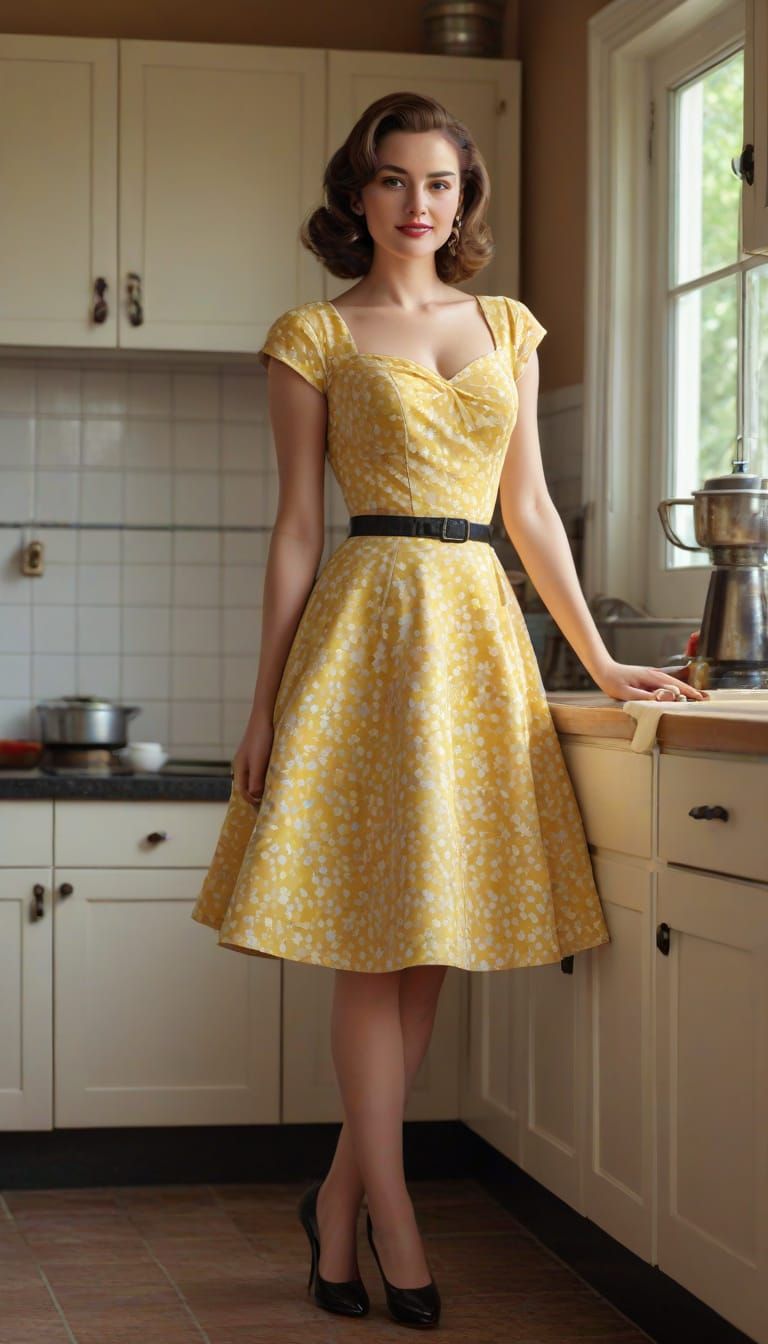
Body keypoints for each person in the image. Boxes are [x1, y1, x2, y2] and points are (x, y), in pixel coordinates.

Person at [191, 91, 708, 1329]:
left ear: (463, 199)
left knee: (427, 942)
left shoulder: (510, 327)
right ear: (355, 196)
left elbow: (529, 512)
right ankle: (396, 1214)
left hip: (477, 636)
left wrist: (590, 661)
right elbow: (296, 531)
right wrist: (259, 706)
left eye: (440, 184)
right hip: (364, 633)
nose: (418, 205)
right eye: (392, 181)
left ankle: (335, 1202)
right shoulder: (311, 335)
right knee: (374, 941)